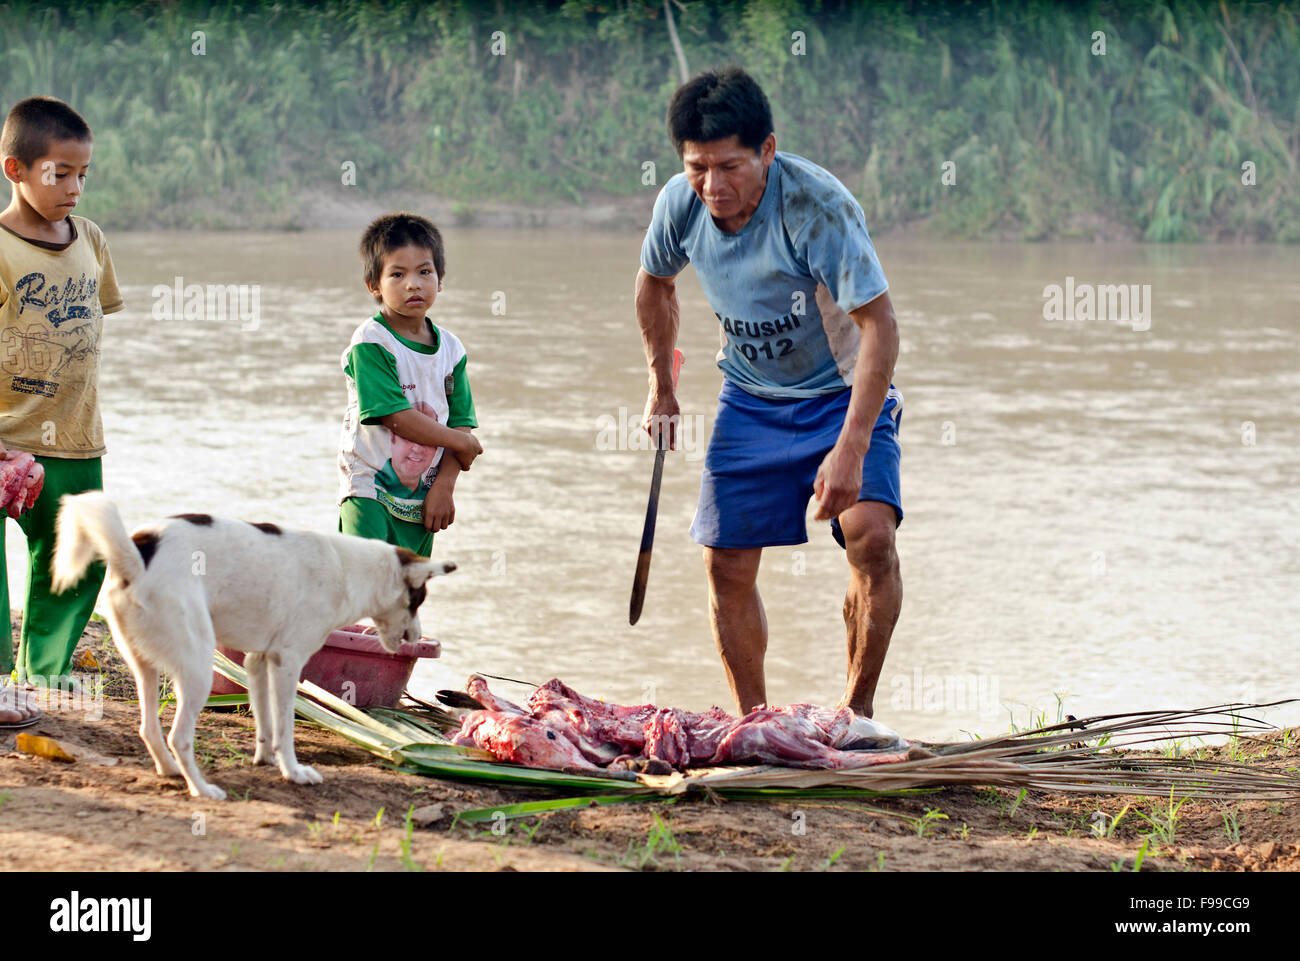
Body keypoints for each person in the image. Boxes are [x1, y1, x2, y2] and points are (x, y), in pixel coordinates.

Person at [636, 67, 903, 718]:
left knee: (870, 538)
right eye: (698, 167)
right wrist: (661, 384)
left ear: (768, 150)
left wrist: (850, 446)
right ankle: (756, 726)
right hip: (751, 397)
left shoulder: (817, 207)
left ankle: (856, 714)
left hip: (839, 392)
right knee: (724, 563)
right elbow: (654, 286)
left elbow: (880, 327)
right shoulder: (679, 203)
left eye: (730, 166)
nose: (713, 186)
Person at [0, 96, 124, 715]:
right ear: (15, 170)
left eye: (83, 174)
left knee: (77, 556)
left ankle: (39, 676)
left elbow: (88, 323)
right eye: (60, 173)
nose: (75, 187)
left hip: (74, 438)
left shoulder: (90, 239)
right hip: (4, 440)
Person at [338, 212, 480, 557]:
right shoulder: (371, 342)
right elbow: (394, 416)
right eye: (397, 274)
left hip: (422, 497)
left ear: (440, 279)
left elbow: (460, 418)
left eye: (424, 272)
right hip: (368, 488)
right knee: (365, 573)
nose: (413, 284)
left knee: (408, 591)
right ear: (374, 285)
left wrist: (445, 486)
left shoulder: (452, 350)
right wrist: (463, 443)